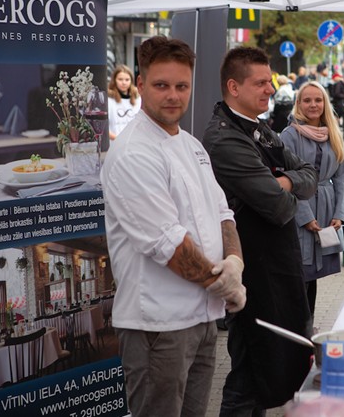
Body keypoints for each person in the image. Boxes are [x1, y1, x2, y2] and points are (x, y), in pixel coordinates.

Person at [101, 36, 246, 417]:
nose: (173, 96)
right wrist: (224, 283)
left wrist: (235, 264)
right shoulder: (133, 153)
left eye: (181, 86)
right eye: (161, 85)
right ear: (140, 84)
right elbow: (168, 244)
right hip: (157, 324)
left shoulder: (192, 145)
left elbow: (222, 214)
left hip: (202, 317)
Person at [203, 47, 317, 415]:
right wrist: (287, 186)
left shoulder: (263, 129)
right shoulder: (224, 139)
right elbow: (279, 206)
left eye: (270, 81)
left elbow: (311, 177)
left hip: (278, 266)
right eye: (261, 83)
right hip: (251, 271)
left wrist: (280, 180)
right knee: (250, 371)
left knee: (275, 365)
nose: (271, 89)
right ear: (233, 87)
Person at [281, 81, 344, 316]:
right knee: (301, 270)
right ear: (298, 103)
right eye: (307, 100)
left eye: (318, 100)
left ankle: (306, 326)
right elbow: (285, 180)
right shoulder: (289, 136)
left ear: (325, 103)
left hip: (327, 209)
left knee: (314, 275)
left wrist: (339, 213)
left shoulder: (332, 134)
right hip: (299, 210)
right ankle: (298, 327)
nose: (313, 105)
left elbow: (340, 177)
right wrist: (305, 217)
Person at [107, 64, 141, 140]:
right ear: (114, 80)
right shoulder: (108, 100)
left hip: (135, 143)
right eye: (120, 79)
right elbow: (104, 128)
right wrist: (118, 140)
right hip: (114, 143)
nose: (124, 83)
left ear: (131, 81)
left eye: (127, 79)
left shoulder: (138, 98)